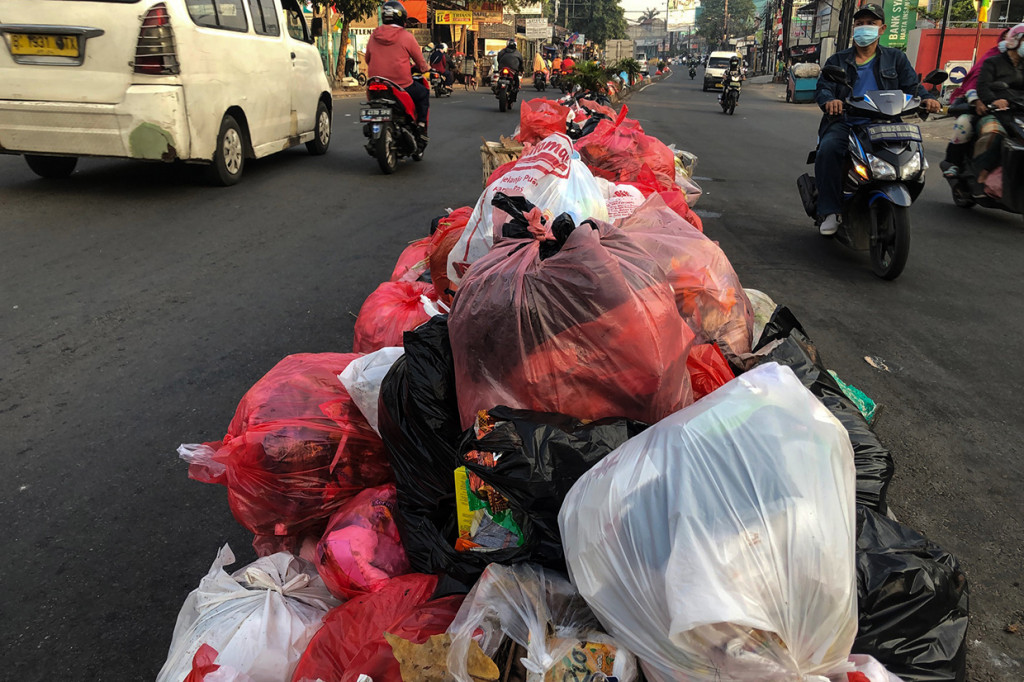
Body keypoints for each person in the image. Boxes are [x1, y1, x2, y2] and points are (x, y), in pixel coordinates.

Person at [813, 3, 940, 235]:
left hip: (887, 122)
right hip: (847, 121)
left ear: (882, 29)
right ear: (853, 28)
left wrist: (928, 99)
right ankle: (830, 210)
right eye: (860, 24)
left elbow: (913, 86)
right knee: (828, 149)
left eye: (870, 24)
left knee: (914, 153)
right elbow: (824, 88)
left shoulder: (896, 58)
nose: (864, 28)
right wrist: (830, 101)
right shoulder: (837, 61)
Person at [941, 28, 1009, 178]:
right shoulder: (991, 59)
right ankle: (954, 164)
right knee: (965, 123)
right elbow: (976, 83)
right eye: (1006, 38)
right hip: (983, 105)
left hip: (1012, 111)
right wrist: (978, 101)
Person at [365, 1, 431, 144]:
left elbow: (367, 59)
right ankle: (420, 125)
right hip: (401, 84)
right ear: (402, 18)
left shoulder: (373, 35)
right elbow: (420, 62)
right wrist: (425, 68)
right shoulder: (406, 36)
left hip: (375, 84)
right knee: (423, 93)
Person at [971, 23, 1024, 188]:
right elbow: (982, 86)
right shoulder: (993, 62)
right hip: (996, 112)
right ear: (1014, 41)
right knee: (997, 134)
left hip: (1018, 113)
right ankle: (983, 172)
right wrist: (993, 101)